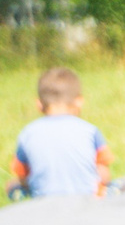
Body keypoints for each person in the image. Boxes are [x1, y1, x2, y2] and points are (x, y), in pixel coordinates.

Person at [8, 66, 110, 200]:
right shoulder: (90, 131)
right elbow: (103, 174)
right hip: (86, 203)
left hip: (45, 205)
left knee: (11, 185)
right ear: (79, 102)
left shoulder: (27, 133)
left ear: (39, 104)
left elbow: (23, 176)